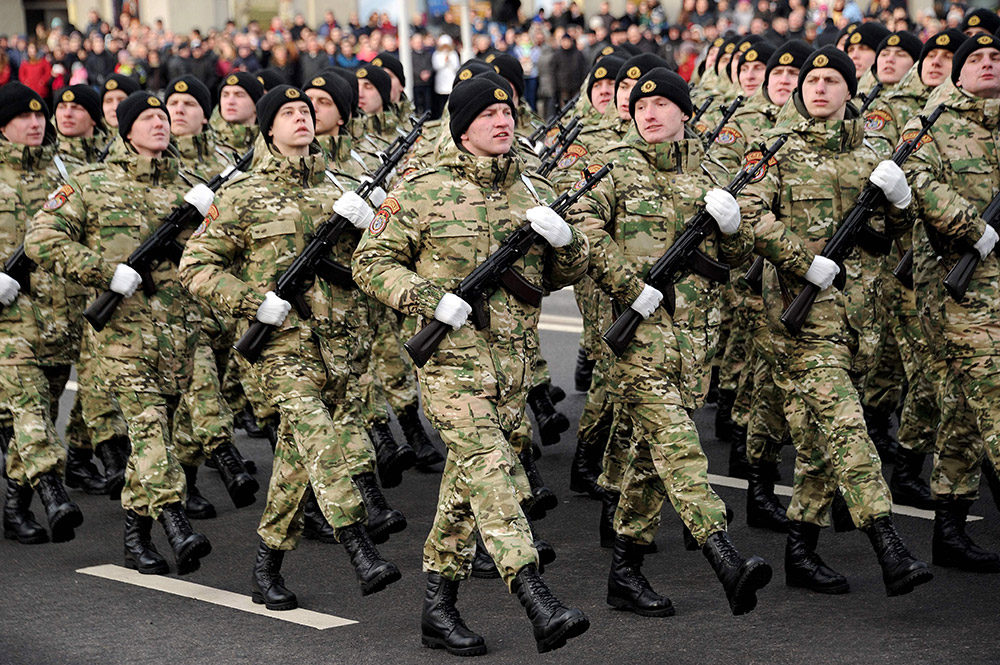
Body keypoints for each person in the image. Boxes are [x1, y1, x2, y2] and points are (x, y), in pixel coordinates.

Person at [353, 73, 591, 656]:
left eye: (507, 113)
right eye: (487, 115)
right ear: (462, 128)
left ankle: (438, 610)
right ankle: (535, 593)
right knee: (491, 476)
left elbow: (559, 280)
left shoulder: (530, 192)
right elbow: (370, 262)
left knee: (464, 488)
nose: (502, 122)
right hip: (452, 367)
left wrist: (566, 244)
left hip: (511, 370)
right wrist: (428, 299)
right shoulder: (418, 190)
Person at [178, 85, 403, 608]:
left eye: (306, 111)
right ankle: (358, 546)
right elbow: (195, 267)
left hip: (340, 348)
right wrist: (252, 301)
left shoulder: (342, 190)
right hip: (280, 349)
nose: (301, 118)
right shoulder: (241, 195)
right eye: (288, 112)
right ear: (268, 129)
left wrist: (373, 222)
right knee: (322, 443)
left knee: (296, 463)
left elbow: (379, 260)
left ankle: (266, 569)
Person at [567, 66, 772, 617]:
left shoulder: (713, 173)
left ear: (686, 111)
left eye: (661, 104)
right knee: (679, 446)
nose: (648, 113)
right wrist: (631, 289)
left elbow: (735, 261)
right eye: (639, 106)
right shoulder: (609, 167)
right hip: (634, 340)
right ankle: (723, 554)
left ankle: (625, 574)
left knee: (648, 459)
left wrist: (733, 232)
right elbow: (582, 231)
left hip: (694, 342)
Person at [740, 46, 933, 596]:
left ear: (851, 90)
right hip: (801, 325)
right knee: (849, 428)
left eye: (831, 80)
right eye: (811, 80)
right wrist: (805, 262)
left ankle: (800, 551)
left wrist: (899, 201)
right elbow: (750, 213)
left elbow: (893, 231)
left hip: (860, 321)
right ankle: (887, 542)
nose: (818, 88)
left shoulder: (873, 153)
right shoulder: (775, 150)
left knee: (824, 442)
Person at [26, 91, 213, 575]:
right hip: (121, 340)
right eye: (148, 118)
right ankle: (175, 524)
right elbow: (41, 239)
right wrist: (103, 271)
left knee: (156, 438)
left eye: (164, 117)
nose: (160, 124)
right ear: (125, 130)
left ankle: (136, 538)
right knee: (150, 432)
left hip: (178, 340)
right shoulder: (90, 184)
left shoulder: (190, 189)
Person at [899, 32, 1000, 574]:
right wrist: (973, 227)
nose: (987, 64)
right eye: (976, 60)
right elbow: (915, 178)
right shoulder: (932, 121)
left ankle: (949, 532)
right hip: (958, 294)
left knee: (962, 413)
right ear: (958, 75)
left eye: (995, 57)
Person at [162, 74, 260, 518]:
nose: (178, 110)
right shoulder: (159, 160)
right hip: (171, 304)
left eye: (189, 103)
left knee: (198, 397)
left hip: (220, 302)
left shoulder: (230, 163)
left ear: (206, 115)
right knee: (200, 389)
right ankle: (225, 458)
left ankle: (183, 477)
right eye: (172, 103)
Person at [0, 83, 84, 545]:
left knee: (40, 416)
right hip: (8, 323)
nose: (35, 124)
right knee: (29, 410)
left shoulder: (63, 172)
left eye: (39, 116)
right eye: (23, 117)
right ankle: (53, 493)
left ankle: (15, 509)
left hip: (57, 318)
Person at [209, 72, 263, 156]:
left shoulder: (269, 147)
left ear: (256, 104)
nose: (230, 102)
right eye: (225, 95)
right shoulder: (206, 146)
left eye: (239, 95)